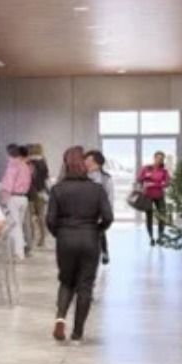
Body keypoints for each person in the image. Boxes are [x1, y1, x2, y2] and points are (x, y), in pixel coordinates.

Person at [47, 146, 113, 343]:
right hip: (90, 237)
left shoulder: (57, 189)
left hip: (65, 238)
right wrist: (98, 230)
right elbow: (108, 217)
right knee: (85, 285)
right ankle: (77, 333)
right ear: (84, 166)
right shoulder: (97, 189)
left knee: (66, 281)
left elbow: (50, 220)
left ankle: (60, 318)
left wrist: (59, 233)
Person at [0, 143, 34, 258]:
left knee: (15, 226)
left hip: (13, 198)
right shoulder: (26, 166)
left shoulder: (12, 166)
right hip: (24, 198)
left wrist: (4, 199)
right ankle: (20, 249)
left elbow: (8, 184)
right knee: (19, 224)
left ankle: (18, 252)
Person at [85, 150, 115, 266]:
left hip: (98, 212)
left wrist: (107, 213)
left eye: (89, 160)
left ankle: (104, 252)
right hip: (82, 211)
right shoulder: (81, 176)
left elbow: (110, 197)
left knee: (99, 233)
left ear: (98, 163)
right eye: (86, 159)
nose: (86, 162)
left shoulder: (106, 179)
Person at [136, 152, 173, 242]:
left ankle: (160, 236)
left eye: (161, 159)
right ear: (154, 158)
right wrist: (145, 180)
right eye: (158, 158)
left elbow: (167, 183)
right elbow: (139, 179)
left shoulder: (164, 171)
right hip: (148, 196)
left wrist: (154, 184)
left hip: (159, 196)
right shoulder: (146, 168)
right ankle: (151, 237)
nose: (159, 160)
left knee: (162, 216)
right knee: (149, 217)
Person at [26, 144, 51, 252]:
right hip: (41, 192)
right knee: (41, 216)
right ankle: (42, 238)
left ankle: (31, 237)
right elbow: (46, 178)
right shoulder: (43, 162)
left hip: (29, 192)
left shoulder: (28, 163)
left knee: (30, 217)